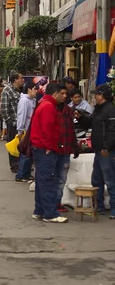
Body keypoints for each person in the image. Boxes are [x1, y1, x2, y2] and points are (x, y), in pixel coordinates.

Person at [30, 82, 68, 223]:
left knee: (42, 181)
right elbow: (47, 130)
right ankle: (50, 213)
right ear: (55, 93)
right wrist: (49, 147)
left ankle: (40, 210)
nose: (64, 96)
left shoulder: (44, 104)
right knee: (47, 181)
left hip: (41, 148)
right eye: (61, 93)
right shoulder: (48, 106)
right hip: (45, 149)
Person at [77, 84, 115, 217]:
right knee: (97, 180)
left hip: (106, 152)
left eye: (96, 94)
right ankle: (99, 207)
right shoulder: (98, 109)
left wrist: (107, 148)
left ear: (101, 96)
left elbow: (112, 131)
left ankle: (114, 209)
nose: (94, 97)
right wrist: (81, 117)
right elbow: (90, 124)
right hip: (99, 151)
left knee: (110, 181)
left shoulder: (110, 110)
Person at [56, 85, 79, 213]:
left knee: (62, 179)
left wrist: (75, 147)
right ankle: (50, 203)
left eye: (66, 94)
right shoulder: (51, 109)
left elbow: (71, 130)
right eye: (62, 93)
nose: (64, 96)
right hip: (54, 150)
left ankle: (57, 202)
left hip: (66, 151)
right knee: (52, 178)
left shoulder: (69, 111)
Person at [0, 73, 24, 172]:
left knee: (22, 145)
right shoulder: (7, 90)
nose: (23, 80)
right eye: (21, 78)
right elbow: (3, 109)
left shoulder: (21, 91)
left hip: (21, 124)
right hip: (13, 123)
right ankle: (14, 165)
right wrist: (10, 121)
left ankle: (22, 165)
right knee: (13, 144)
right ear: (15, 80)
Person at [15, 82, 38, 183]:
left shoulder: (32, 100)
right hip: (25, 130)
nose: (36, 91)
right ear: (29, 89)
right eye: (34, 89)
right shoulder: (24, 101)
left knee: (29, 153)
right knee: (25, 153)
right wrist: (20, 131)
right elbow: (21, 116)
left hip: (31, 130)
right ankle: (20, 175)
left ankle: (27, 174)